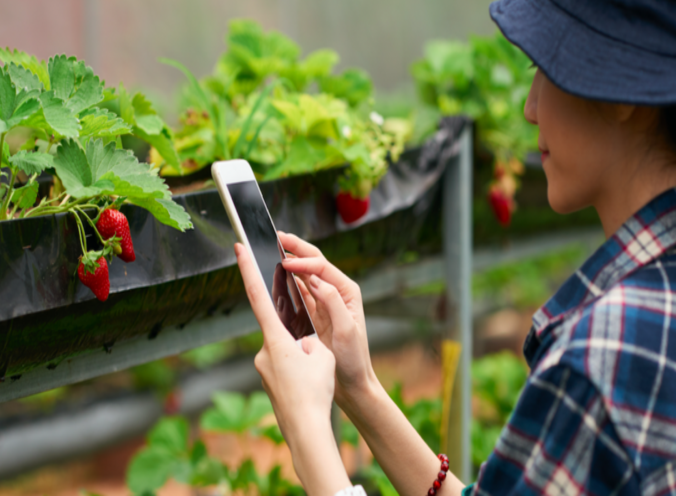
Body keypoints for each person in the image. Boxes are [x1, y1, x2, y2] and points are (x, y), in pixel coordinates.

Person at [234, 0, 676, 494]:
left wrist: (308, 432)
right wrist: (359, 388)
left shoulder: (602, 355)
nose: (530, 109)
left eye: (543, 72)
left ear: (620, 91)